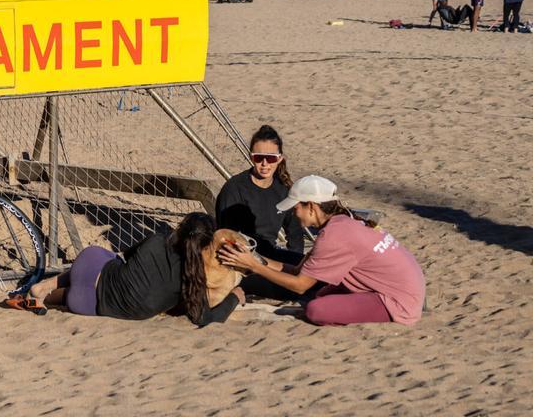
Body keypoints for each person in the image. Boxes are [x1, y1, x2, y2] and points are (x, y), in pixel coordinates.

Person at [218, 175, 425, 326]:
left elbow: (299, 285)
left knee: (315, 310)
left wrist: (253, 266)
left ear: (312, 207)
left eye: (296, 208)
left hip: (400, 302)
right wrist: (253, 257)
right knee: (320, 295)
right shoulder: (343, 222)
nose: (294, 214)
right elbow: (298, 270)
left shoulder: (334, 235)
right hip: (406, 288)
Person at [23, 213, 243, 325]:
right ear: (206, 246)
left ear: (180, 228)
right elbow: (204, 319)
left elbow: (123, 257)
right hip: (84, 305)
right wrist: (234, 297)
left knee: (109, 259)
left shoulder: (158, 240)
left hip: (88, 266)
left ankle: (46, 286)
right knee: (106, 279)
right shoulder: (193, 277)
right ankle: (50, 292)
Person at [216, 125, 304, 265]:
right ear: (251, 157)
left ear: (280, 158)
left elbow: (295, 233)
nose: (264, 163)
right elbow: (226, 235)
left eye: (271, 158)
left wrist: (296, 265)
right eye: (259, 157)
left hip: (271, 255)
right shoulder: (234, 188)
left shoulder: (283, 189)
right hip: (241, 257)